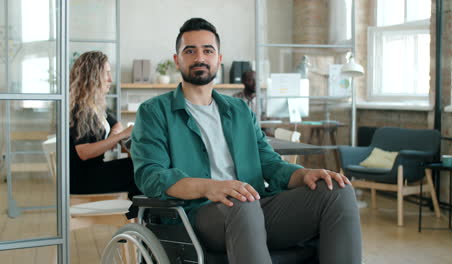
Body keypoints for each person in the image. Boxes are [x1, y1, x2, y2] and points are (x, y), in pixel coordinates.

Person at [131, 18, 362, 264]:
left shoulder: (239, 110)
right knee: (241, 203)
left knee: (338, 191)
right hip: (195, 215)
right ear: (177, 60)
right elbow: (151, 175)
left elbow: (271, 164)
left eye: (208, 50)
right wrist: (210, 186)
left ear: (218, 59)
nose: (200, 57)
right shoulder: (154, 112)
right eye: (190, 51)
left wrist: (304, 174)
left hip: (253, 207)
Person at [69, 51, 139, 197]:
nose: (110, 79)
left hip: (92, 172)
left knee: (138, 167)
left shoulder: (92, 105)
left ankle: (140, 214)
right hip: (83, 179)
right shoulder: (80, 110)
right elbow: (84, 153)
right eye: (106, 73)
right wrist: (120, 136)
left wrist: (114, 136)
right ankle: (143, 215)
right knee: (139, 170)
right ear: (93, 77)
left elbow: (116, 124)